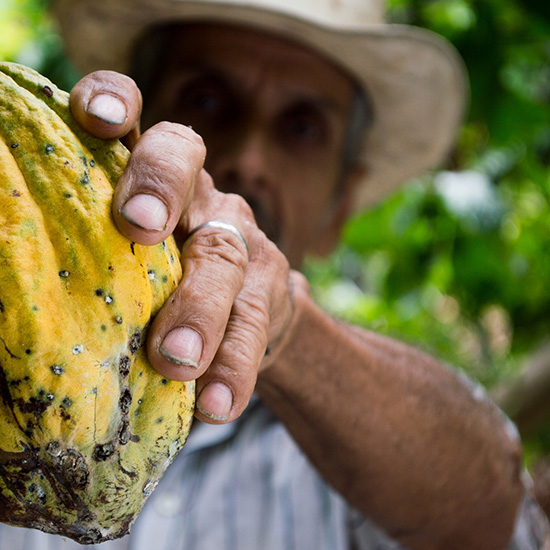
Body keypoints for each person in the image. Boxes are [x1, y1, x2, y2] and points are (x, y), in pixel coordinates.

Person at [1, 0, 549, 548]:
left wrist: (284, 328)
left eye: (302, 128)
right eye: (207, 100)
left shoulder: (363, 454)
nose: (249, 159)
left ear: (340, 207)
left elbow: (493, 514)